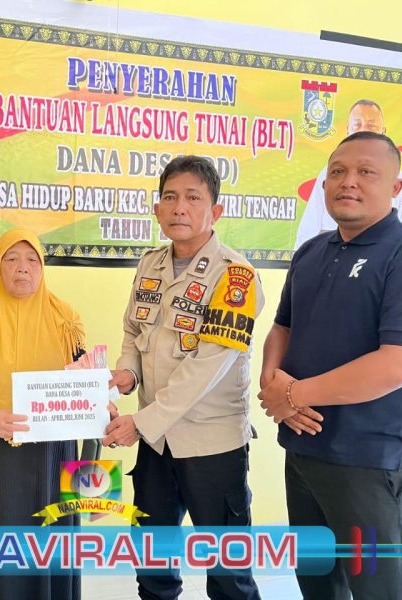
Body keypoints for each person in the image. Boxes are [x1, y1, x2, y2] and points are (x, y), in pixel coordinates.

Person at [259, 131, 402, 599]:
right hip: (303, 453)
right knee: (317, 585)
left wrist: (293, 395)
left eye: (367, 172)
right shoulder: (311, 252)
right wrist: (271, 382)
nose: (349, 181)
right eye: (338, 172)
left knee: (375, 590)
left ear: (395, 188)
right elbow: (282, 327)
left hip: (369, 462)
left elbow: (401, 363)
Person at [104, 155, 263, 600]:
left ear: (215, 211)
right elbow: (133, 331)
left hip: (210, 445)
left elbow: (207, 367)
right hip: (157, 444)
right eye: (170, 197)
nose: (179, 208)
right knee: (153, 564)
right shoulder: (149, 264)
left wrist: (140, 422)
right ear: (157, 209)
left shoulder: (236, 277)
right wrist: (127, 373)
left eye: (193, 198)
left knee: (229, 575)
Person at [0, 228, 86, 599]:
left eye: (32, 259)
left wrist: (100, 401)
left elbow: (84, 380)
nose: (23, 267)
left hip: (52, 454)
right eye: (11, 258)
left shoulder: (65, 319)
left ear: (42, 267)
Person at [294, 99, 402, 249]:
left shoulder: (395, 175)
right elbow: (308, 230)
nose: (363, 131)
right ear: (347, 131)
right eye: (357, 125)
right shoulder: (329, 172)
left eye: (371, 126)